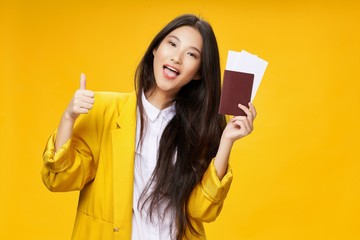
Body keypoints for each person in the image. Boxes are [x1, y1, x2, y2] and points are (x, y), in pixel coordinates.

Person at [42, 14, 257, 240]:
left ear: (199, 73)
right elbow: (59, 179)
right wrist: (68, 117)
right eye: (172, 44)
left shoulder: (197, 130)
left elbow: (201, 209)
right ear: (155, 48)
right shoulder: (105, 110)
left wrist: (226, 142)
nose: (177, 58)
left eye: (191, 54)